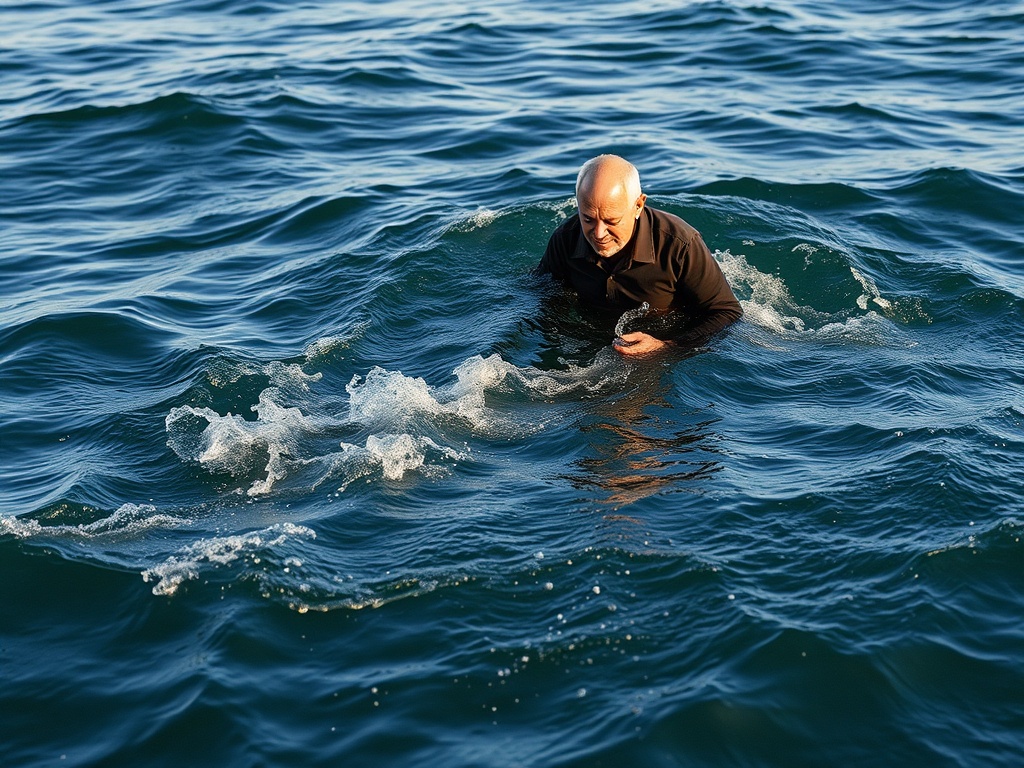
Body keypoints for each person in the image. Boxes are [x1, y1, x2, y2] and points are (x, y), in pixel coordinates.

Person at [536, 154, 742, 356]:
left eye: (611, 221)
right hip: (592, 338)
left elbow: (728, 313)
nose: (598, 234)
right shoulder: (565, 238)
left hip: (665, 340)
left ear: (638, 206)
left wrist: (668, 346)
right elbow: (543, 291)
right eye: (588, 219)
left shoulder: (680, 244)